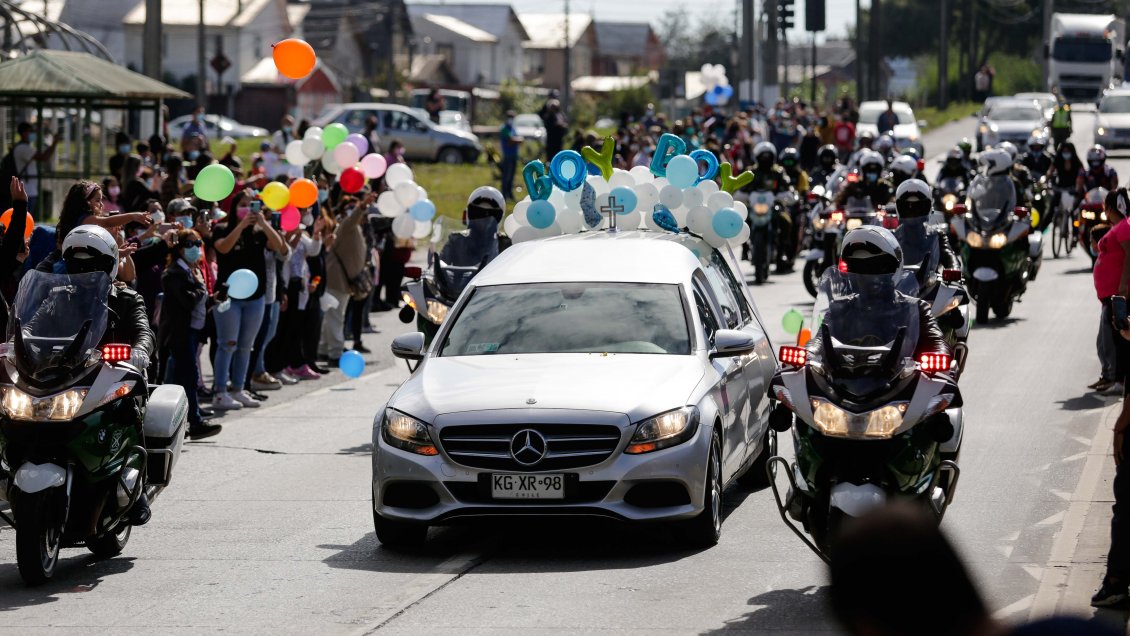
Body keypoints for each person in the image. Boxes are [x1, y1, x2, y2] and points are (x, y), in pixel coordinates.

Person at [58, 224, 156, 523]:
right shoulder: (59, 296)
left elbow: (144, 332)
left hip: (109, 376)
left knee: (129, 411)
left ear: (109, 265)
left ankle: (138, 487)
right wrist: (16, 344)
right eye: (77, 264)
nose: (84, 270)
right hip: (63, 375)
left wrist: (138, 352)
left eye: (93, 264)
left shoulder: (127, 298)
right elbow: (33, 323)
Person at [210, 189, 288, 411]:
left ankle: (238, 388)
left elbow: (281, 247)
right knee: (228, 344)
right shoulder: (222, 228)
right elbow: (223, 247)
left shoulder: (259, 231)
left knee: (246, 346)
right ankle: (220, 391)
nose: (247, 208)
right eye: (242, 204)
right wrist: (241, 225)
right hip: (228, 296)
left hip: (255, 297)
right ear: (234, 207)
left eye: (251, 205)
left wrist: (264, 224)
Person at [158, 228, 221, 440]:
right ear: (179, 248)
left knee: (181, 377)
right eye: (189, 244)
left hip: (193, 331)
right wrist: (202, 292)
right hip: (180, 333)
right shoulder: (173, 273)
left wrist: (213, 299)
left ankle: (184, 420)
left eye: (197, 244)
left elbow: (198, 300)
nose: (195, 249)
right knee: (187, 376)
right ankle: (193, 422)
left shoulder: (193, 270)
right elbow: (186, 301)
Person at [321, 191, 376, 364]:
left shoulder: (356, 227)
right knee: (336, 317)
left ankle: (323, 348)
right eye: (350, 208)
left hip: (343, 280)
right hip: (337, 279)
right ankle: (335, 353)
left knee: (333, 316)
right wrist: (362, 205)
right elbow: (352, 218)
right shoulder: (347, 225)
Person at [1089, 189, 1130, 393]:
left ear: (1111, 207)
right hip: (1110, 295)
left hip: (1117, 293)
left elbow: (1129, 254)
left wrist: (1123, 286)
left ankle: (1117, 379)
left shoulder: (1124, 227)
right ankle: (1110, 376)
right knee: (1107, 338)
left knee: (1114, 339)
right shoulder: (1119, 226)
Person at [894, 179, 960, 270]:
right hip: (900, 284)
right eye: (907, 207)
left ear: (927, 207)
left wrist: (954, 268)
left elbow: (949, 255)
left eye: (918, 207)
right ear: (899, 207)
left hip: (930, 283)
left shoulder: (937, 235)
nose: (913, 211)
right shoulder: (892, 238)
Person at [441, 186, 504, 267]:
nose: (482, 221)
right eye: (478, 214)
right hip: (461, 280)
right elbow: (440, 264)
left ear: (499, 218)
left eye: (489, 216)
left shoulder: (504, 244)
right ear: (468, 214)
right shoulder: (456, 240)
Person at [8, 122, 58, 217]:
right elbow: (43, 157)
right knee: (25, 218)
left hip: (29, 189)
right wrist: (54, 143)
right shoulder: (22, 148)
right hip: (26, 190)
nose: (33, 134)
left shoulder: (26, 147)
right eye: (31, 131)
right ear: (24, 133)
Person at [498, 110, 521, 201]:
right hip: (507, 156)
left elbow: (516, 139)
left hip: (514, 155)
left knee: (511, 176)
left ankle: (510, 194)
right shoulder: (504, 128)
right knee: (506, 176)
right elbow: (511, 140)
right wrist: (518, 140)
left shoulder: (512, 128)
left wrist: (517, 140)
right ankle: (504, 194)